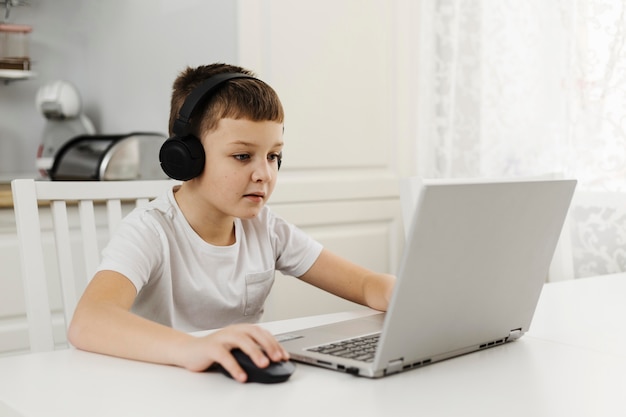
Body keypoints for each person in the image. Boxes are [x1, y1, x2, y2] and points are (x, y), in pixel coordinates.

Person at [67, 63, 395, 383]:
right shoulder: (151, 231)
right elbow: (88, 321)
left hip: (235, 389)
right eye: (242, 156)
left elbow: (367, 285)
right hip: (158, 388)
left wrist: (408, 295)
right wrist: (194, 348)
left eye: (273, 156)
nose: (264, 174)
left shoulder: (266, 228)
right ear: (186, 157)